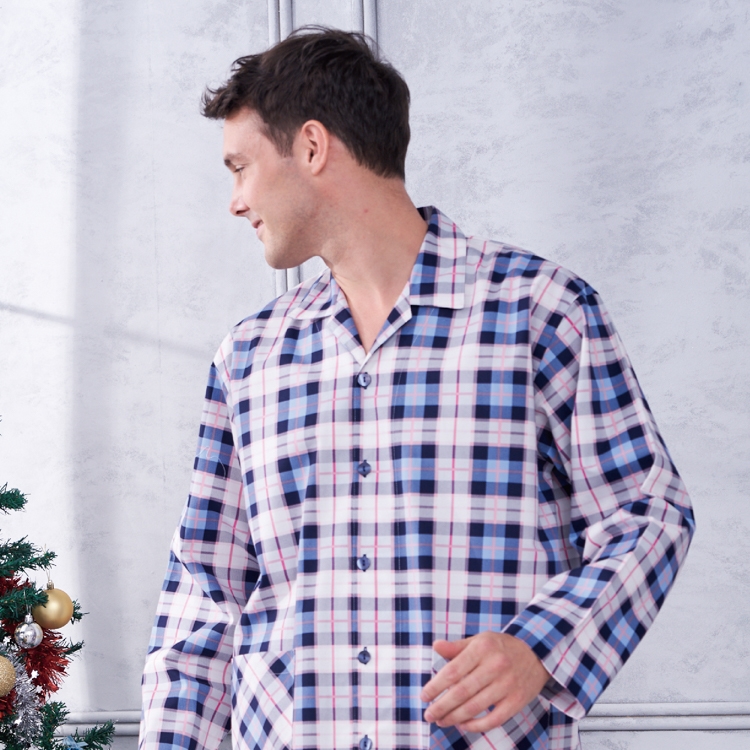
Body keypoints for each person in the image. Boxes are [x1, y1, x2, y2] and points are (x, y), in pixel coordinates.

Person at [139, 27, 695, 750]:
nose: (235, 202)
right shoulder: (250, 357)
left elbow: (647, 514)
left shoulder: (539, 314)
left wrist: (541, 648)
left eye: (240, 168)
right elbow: (204, 598)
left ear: (312, 147)